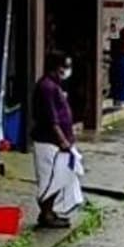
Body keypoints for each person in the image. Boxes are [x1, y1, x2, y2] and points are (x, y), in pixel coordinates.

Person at [31, 53, 84, 229]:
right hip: (49, 142)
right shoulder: (47, 87)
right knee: (49, 180)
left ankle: (50, 211)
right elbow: (51, 118)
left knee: (58, 177)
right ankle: (46, 214)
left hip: (56, 141)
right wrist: (62, 140)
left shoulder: (54, 86)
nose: (67, 70)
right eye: (65, 66)